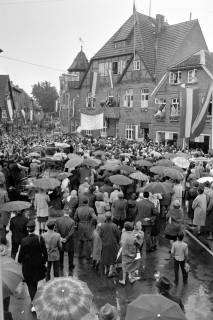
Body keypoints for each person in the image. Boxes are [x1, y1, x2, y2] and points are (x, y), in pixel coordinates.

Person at [18, 220, 47, 311]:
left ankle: (34, 304)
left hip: (27, 267)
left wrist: (20, 261)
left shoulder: (23, 241)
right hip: (38, 265)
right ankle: (35, 301)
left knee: (30, 285)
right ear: (34, 228)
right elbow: (45, 253)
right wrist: (44, 261)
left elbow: (21, 255)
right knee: (34, 283)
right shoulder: (40, 238)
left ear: (27, 229)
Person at [99, 211, 120, 277]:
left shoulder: (102, 225)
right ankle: (110, 271)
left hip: (104, 243)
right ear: (111, 218)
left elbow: (100, 235)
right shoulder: (114, 225)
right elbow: (118, 235)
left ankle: (105, 269)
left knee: (105, 256)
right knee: (112, 257)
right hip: (112, 244)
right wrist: (118, 241)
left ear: (105, 217)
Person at [55, 211, 75, 276]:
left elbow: (56, 230)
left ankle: (61, 265)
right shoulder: (72, 221)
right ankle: (70, 266)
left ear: (63, 213)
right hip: (69, 241)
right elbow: (72, 232)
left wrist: (60, 238)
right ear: (69, 213)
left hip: (60, 240)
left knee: (61, 252)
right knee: (71, 253)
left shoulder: (58, 220)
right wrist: (66, 238)